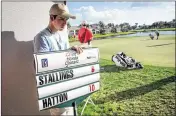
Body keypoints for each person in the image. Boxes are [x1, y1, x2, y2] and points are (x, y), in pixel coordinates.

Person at [33, 3, 83, 116]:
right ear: (52, 18)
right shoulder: (41, 38)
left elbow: (63, 56)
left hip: (69, 86)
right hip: (56, 91)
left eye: (67, 19)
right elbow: (43, 67)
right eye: (61, 19)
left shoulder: (62, 34)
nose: (65, 23)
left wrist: (71, 50)